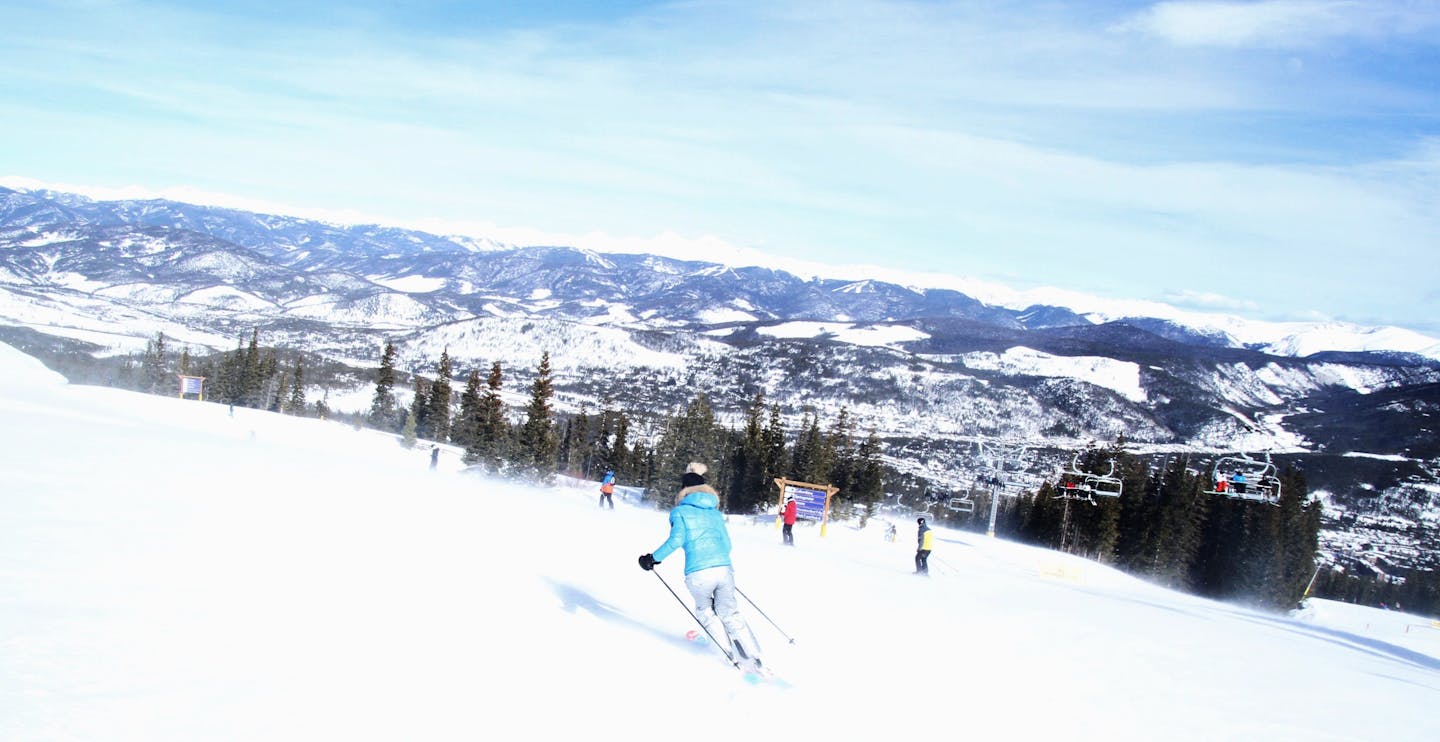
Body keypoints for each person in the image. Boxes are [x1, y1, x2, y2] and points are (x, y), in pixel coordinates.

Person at [637, 462, 764, 673]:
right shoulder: (715, 513)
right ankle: (755, 655)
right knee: (730, 612)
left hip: (698, 572)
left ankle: (726, 654)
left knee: (706, 611)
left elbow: (677, 539)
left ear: (684, 491)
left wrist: (652, 558)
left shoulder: (680, 511)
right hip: (724, 568)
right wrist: (717, 560)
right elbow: (727, 544)